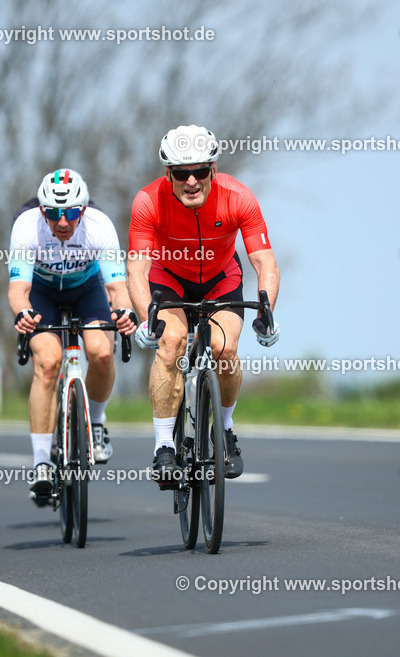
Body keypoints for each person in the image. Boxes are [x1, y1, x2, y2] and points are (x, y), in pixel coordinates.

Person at [126, 125, 280, 489]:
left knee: (225, 348)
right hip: (169, 278)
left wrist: (266, 313)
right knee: (171, 344)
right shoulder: (148, 201)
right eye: (181, 173)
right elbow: (137, 267)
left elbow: (265, 263)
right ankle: (164, 445)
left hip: (220, 276)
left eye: (200, 171)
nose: (191, 181)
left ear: (214, 169)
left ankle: (224, 430)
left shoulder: (238, 196)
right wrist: (148, 318)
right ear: (169, 174)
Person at [8, 168, 137, 506]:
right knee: (48, 362)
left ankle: (95, 423)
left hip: (87, 291)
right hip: (42, 295)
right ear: (41, 211)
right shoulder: (25, 227)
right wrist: (22, 313)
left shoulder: (100, 225)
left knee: (101, 353)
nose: (62, 222)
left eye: (69, 214)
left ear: (82, 210)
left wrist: (124, 312)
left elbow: (116, 287)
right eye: (53, 214)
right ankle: (41, 462)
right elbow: (18, 289)